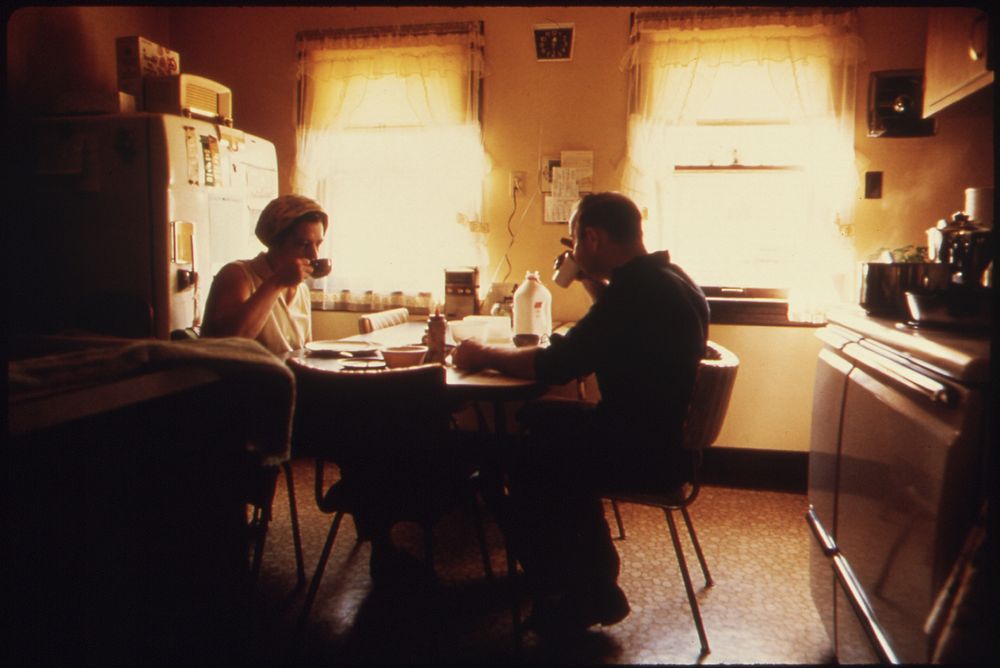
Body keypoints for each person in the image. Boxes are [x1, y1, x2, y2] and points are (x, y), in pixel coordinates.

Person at [453, 192, 709, 635]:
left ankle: (578, 586)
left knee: (506, 460)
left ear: (592, 236)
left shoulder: (634, 294)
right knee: (538, 424)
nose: (571, 250)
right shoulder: (670, 277)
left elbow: (554, 364)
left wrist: (480, 353)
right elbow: (617, 330)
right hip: (663, 438)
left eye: (574, 241)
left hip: (639, 451)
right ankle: (579, 575)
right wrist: (590, 280)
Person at [201, 194, 328, 355]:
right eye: (303, 244)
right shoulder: (237, 275)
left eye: (318, 244)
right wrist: (277, 282)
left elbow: (303, 352)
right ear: (275, 242)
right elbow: (231, 342)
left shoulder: (301, 290)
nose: (314, 255)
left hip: (285, 378)